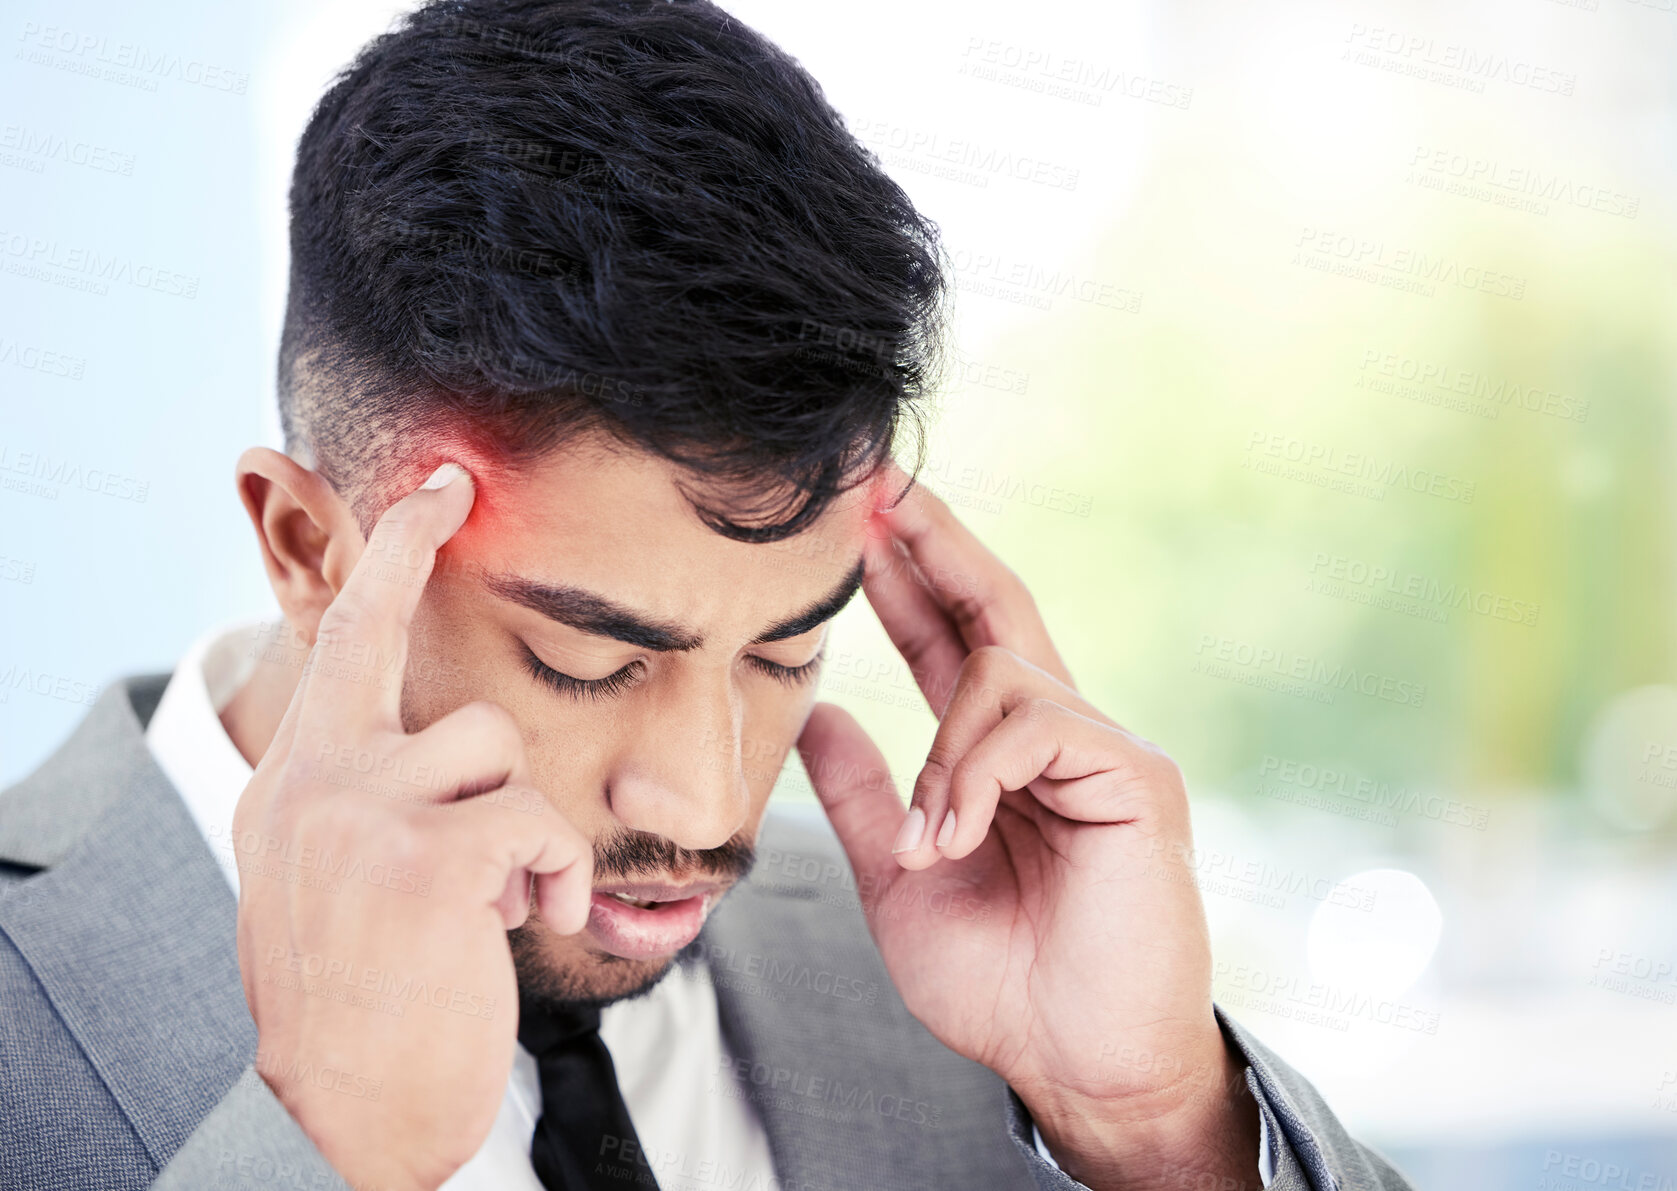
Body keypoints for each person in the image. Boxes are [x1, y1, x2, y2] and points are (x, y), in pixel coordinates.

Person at [0, 1, 1413, 1188]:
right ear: (311, 549)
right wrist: (319, 1152)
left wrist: (1155, 1127)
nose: (701, 802)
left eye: (788, 650)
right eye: (585, 659)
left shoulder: (952, 974)